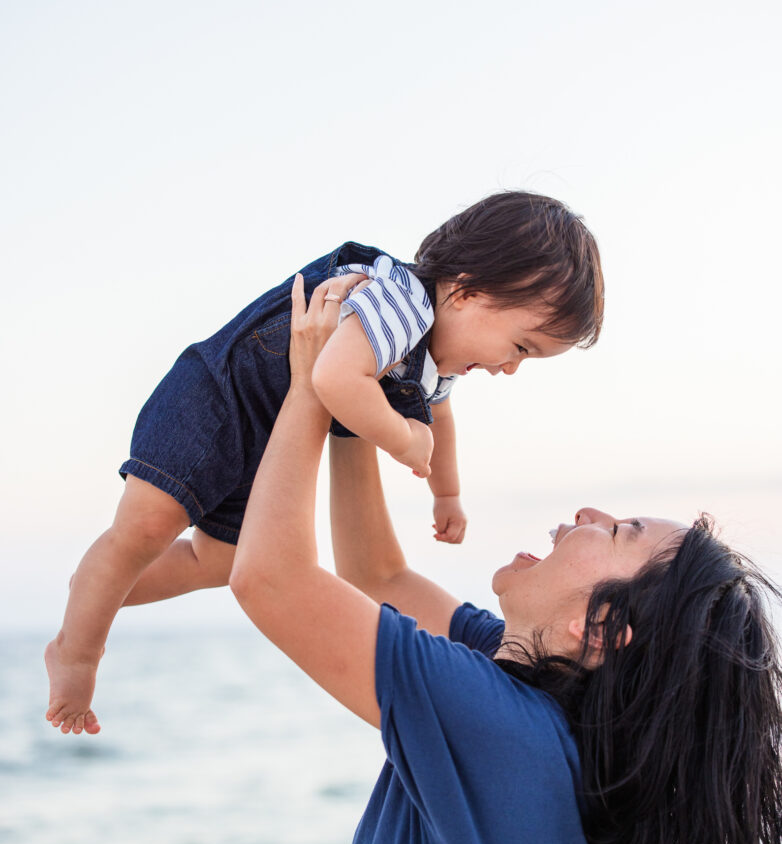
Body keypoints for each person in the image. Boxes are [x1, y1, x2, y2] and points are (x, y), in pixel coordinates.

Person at [228, 278, 782, 844]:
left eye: (616, 532)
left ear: (605, 630)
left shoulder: (501, 725)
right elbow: (379, 578)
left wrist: (307, 387)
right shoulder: (533, 689)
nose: (588, 513)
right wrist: (352, 401)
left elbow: (271, 580)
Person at [45, 190, 604, 736]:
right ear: (466, 292)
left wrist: (446, 493)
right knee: (144, 527)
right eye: (522, 346)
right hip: (216, 399)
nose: (511, 368)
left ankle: (99, 585)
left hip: (271, 432)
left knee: (216, 561)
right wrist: (400, 440)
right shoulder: (401, 301)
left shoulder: (435, 356)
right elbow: (333, 377)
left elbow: (440, 416)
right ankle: (76, 652)